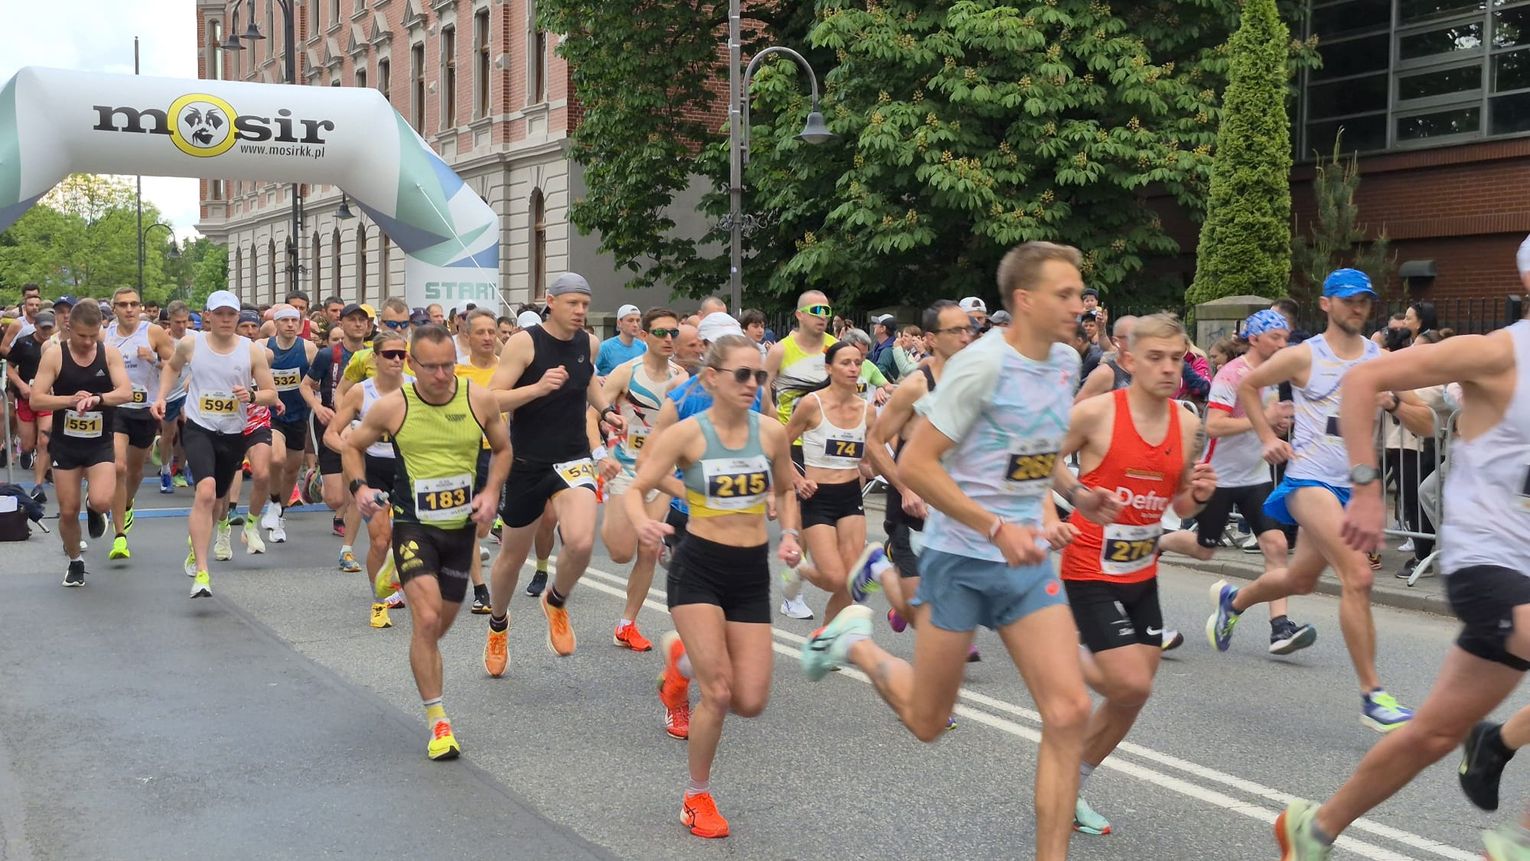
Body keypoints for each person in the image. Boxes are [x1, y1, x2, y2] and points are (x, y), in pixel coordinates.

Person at [798, 242, 1105, 861]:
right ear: (1026, 300)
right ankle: (854, 644)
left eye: (1080, 293)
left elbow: (1034, 450)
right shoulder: (980, 367)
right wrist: (995, 527)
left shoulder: (1064, 362)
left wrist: (1075, 493)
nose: (1081, 306)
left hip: (1024, 563)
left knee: (1070, 711)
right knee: (927, 722)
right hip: (961, 559)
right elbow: (917, 464)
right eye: (1066, 294)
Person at [1275, 302, 1530, 861]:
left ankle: (1315, 829)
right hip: (1490, 560)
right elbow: (1363, 379)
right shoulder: (1498, 351)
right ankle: (1519, 843)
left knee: (1435, 734)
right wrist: (1368, 489)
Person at [1209, 269, 1413, 732]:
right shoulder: (1305, 355)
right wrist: (1267, 437)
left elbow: (1420, 415)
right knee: (1358, 575)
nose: (1357, 307)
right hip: (1308, 480)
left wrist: (1396, 404)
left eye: (1364, 300)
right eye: (1348, 299)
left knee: (1300, 580)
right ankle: (1373, 696)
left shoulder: (1379, 358)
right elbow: (1248, 386)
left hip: (1352, 486)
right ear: (1326, 304)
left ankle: (1234, 601)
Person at [629, 333, 802, 839]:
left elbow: (788, 489)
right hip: (699, 568)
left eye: (760, 375)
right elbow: (639, 485)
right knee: (720, 692)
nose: (753, 383)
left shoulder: (771, 434)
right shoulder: (688, 434)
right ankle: (696, 796)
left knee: (751, 700)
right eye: (742, 374)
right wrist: (644, 521)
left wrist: (791, 534)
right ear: (712, 378)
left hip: (750, 573)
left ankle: (680, 662)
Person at [1052, 313, 1218, 836]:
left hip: (1142, 571)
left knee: (1134, 695)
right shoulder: (1097, 413)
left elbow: (1178, 503)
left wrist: (1200, 496)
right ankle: (1052, 652)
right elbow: (1037, 460)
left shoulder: (1187, 423)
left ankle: (1069, 785)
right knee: (1128, 681)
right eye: (1156, 358)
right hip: (1089, 566)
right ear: (1128, 360)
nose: (1169, 368)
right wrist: (1078, 494)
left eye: (1177, 358)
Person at [347, 324, 509, 761]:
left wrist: (491, 492)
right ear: (411, 364)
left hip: (460, 531)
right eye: (431, 367)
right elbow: (351, 446)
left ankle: (394, 575)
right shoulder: (393, 406)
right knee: (427, 617)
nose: (440, 375)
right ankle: (439, 721)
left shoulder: (478, 399)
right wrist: (360, 487)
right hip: (413, 524)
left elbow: (503, 448)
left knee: (437, 628)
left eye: (447, 365)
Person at [482, 272, 624, 671]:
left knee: (580, 542)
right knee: (512, 558)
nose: (580, 311)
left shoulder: (587, 342)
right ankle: (498, 625)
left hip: (573, 458)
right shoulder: (525, 343)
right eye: (573, 303)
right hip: (528, 462)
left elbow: (588, 380)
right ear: (551, 301)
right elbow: (492, 400)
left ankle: (556, 600)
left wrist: (606, 410)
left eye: (585, 304)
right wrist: (538, 388)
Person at [1156, 311, 1318, 654]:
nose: (1282, 344)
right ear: (1254, 339)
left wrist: (1278, 429)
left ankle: (1280, 628)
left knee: (1275, 545)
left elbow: (1271, 424)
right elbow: (1214, 425)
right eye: (1275, 337)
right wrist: (1262, 421)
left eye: (1285, 337)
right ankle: (1159, 540)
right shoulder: (1232, 374)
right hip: (1219, 476)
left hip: (1255, 476)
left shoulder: (1278, 376)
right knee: (1204, 549)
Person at [153, 291, 279, 598]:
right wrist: (161, 396)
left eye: (231, 314)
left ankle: (197, 543)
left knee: (219, 501)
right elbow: (172, 367)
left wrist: (252, 395)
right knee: (205, 491)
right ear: (207, 316)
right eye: (219, 314)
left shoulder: (251, 351)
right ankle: (202, 572)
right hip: (200, 428)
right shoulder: (191, 344)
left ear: (237, 317)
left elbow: (271, 394)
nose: (225, 319)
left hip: (233, 433)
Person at [864, 300, 975, 642]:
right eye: (954, 331)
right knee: (920, 614)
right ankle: (878, 567)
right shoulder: (917, 385)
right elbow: (875, 441)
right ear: (931, 339)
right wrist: (905, 489)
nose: (965, 337)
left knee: (947, 606)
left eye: (968, 329)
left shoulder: (976, 384)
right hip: (911, 504)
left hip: (952, 506)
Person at [28, 299, 133, 586]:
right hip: (66, 444)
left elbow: (126, 392)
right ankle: (75, 561)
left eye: (93, 335)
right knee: (68, 510)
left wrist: (98, 399)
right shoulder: (55, 355)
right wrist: (71, 401)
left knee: (101, 500)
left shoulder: (108, 353)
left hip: (99, 441)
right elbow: (36, 399)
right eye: (81, 335)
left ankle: (94, 506)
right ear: (69, 327)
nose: (87, 342)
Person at [597, 307, 685, 650]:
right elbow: (592, 414)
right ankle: (612, 520)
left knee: (648, 547)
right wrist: (600, 454)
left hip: (662, 472)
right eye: (661, 333)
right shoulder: (625, 373)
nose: (668, 339)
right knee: (621, 553)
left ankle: (627, 624)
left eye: (674, 333)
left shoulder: (681, 377)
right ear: (645, 336)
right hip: (624, 468)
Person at [782, 340, 881, 626]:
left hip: (850, 497)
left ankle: (826, 637)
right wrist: (798, 480)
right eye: (845, 363)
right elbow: (779, 446)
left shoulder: (867, 410)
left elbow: (867, 458)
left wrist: (874, 467)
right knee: (834, 578)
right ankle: (800, 569)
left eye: (857, 363)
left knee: (851, 580)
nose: (853, 368)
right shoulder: (812, 404)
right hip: (818, 497)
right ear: (829, 368)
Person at [326, 330, 410, 629]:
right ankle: (379, 602)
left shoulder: (415, 388)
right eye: (390, 354)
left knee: (410, 540)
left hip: (408, 469)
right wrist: (351, 450)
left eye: (402, 354)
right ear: (375, 358)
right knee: (380, 539)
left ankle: (398, 583)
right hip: (372, 468)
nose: (397, 360)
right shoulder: (361, 392)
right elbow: (331, 434)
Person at [106, 287, 174, 561]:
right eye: (123, 304)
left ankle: (127, 503)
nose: (129, 309)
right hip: (116, 409)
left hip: (145, 409)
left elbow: (174, 364)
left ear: (141, 307)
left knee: (134, 472)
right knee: (119, 467)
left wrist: (154, 359)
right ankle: (119, 535)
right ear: (114, 309)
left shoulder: (153, 332)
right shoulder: (105, 335)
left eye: (134, 304)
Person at [303, 302, 370, 571]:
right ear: (341, 323)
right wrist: (318, 406)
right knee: (334, 499)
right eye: (352, 319)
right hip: (331, 422)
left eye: (362, 320)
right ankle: (317, 477)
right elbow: (305, 386)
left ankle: (346, 542)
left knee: (355, 486)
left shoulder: (374, 355)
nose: (358, 324)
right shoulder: (328, 355)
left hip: (364, 425)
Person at [454, 308, 505, 615]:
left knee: (484, 527)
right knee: (473, 523)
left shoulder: (509, 370)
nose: (487, 337)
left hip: (502, 452)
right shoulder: (458, 372)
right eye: (480, 332)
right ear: (467, 336)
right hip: (469, 452)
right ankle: (480, 589)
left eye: (491, 332)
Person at [261, 303, 317, 543]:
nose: (291, 325)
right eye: (285, 320)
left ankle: (279, 513)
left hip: (298, 415)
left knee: (292, 469)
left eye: (295, 321)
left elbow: (318, 378)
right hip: (272, 414)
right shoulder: (264, 347)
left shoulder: (309, 349)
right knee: (276, 458)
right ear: (275, 324)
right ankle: (273, 502)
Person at [765, 291, 837, 426]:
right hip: (790, 433)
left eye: (826, 311)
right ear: (800, 315)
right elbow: (763, 388)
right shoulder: (779, 350)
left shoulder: (836, 347)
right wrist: (775, 421)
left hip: (827, 432)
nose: (822, 316)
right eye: (816, 310)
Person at [5, 309, 57, 495]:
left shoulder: (57, 345)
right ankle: (27, 450)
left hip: (47, 399)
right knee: (28, 444)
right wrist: (21, 385)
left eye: (49, 328)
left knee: (44, 440)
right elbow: (9, 367)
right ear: (35, 326)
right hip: (26, 397)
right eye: (43, 328)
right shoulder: (23, 343)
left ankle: (38, 485)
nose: (46, 332)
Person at [156, 301, 194, 491]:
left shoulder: (195, 338)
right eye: (177, 322)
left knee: (190, 431)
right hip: (169, 393)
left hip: (190, 392)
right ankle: (165, 470)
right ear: (169, 320)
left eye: (185, 321)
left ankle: (184, 467)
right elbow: (165, 365)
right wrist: (153, 359)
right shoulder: (162, 340)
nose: (181, 326)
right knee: (168, 435)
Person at [596, 303, 647, 376]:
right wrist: (599, 379)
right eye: (630, 320)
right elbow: (589, 372)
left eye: (638, 320)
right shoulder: (605, 347)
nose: (635, 325)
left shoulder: (642, 347)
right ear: (619, 323)